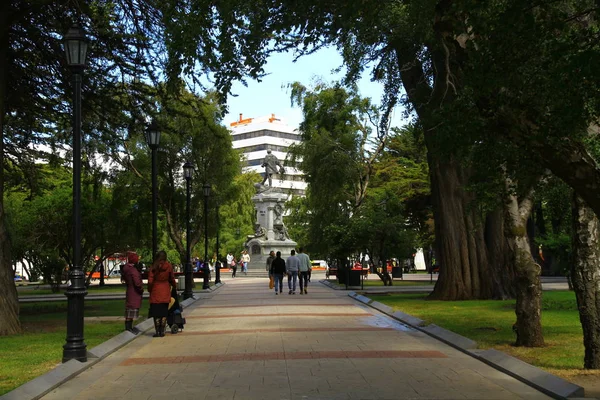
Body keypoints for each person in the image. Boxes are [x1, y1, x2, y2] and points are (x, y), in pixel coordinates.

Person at [148, 250, 177, 337]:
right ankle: (162, 331)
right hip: (165, 289)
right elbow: (172, 278)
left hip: (156, 290)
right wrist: (174, 286)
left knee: (156, 312)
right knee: (164, 312)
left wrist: (150, 289)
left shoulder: (153, 267)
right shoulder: (168, 266)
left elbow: (150, 281)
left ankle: (157, 331)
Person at [122, 252, 143, 334]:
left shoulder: (127, 269)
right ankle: (128, 328)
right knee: (131, 310)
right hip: (134, 292)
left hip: (130, 291)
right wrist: (141, 289)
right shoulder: (132, 270)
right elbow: (137, 282)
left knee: (129, 310)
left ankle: (129, 327)